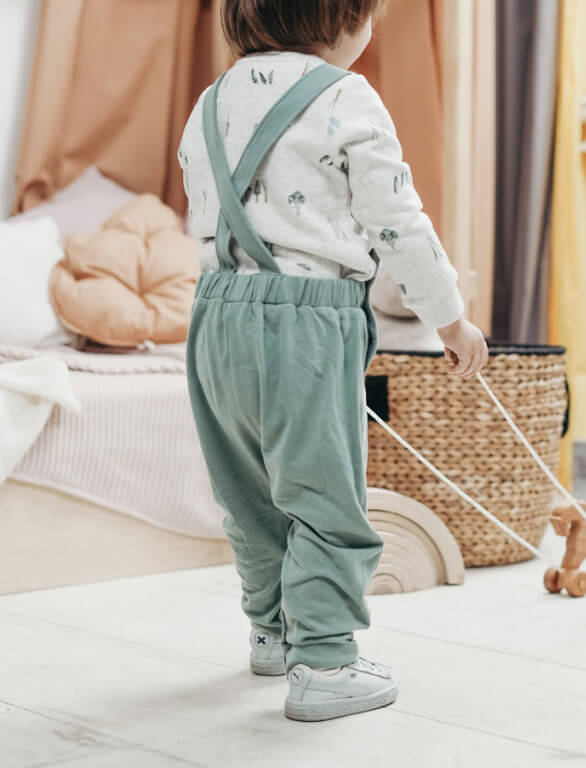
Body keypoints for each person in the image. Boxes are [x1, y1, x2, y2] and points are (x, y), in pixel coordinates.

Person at [178, 0, 488, 722]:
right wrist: (449, 318)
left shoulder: (209, 99)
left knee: (245, 488)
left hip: (213, 311)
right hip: (308, 320)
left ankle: (272, 630)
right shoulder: (346, 93)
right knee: (324, 491)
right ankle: (322, 661)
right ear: (342, 20)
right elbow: (397, 219)